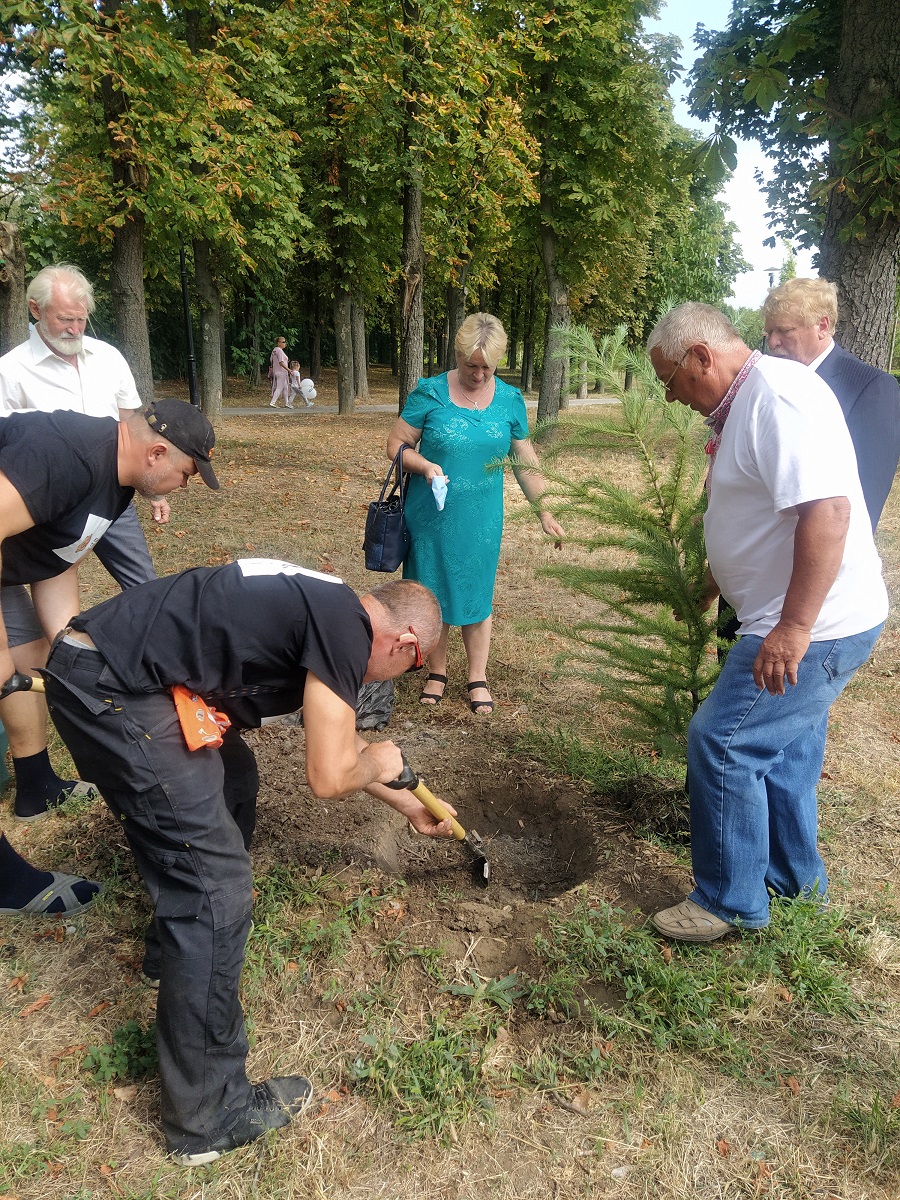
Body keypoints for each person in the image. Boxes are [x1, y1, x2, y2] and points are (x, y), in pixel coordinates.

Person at [41, 562, 455, 1163]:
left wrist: (406, 805)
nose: (395, 680)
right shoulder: (348, 632)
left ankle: (176, 959)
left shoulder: (330, 607)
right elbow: (329, 774)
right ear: (405, 643)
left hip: (113, 664)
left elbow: (343, 747)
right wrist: (380, 760)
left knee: (234, 777)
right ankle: (207, 1117)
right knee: (218, 895)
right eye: (410, 671)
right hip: (115, 689)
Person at [646, 303, 888, 943]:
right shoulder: (751, 400)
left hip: (812, 624)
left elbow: (829, 513)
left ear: (702, 356)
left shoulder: (776, 399)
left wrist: (792, 628)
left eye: (670, 380)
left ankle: (728, 901)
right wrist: (713, 581)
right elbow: (757, 512)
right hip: (804, 616)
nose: (672, 398)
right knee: (782, 754)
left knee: (724, 742)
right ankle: (795, 881)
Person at [0, 399, 219, 843]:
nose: (184, 485)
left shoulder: (119, 479)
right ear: (156, 454)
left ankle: (36, 786)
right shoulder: (68, 455)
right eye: (187, 473)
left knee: (34, 657)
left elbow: (59, 556)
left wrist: (69, 645)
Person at [386, 313, 564, 714]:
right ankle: (437, 671)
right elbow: (396, 444)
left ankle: (477, 676)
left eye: (487, 366)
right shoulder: (429, 393)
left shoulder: (510, 400)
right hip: (430, 514)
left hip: (482, 519)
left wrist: (544, 511)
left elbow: (524, 459)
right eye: (471, 365)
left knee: (476, 590)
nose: (479, 374)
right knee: (431, 589)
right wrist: (425, 465)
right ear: (458, 354)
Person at [0, 263, 168, 588]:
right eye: (65, 319)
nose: (75, 329)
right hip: (47, 506)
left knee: (144, 585)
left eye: (81, 319)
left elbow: (131, 425)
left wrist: (152, 491)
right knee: (50, 583)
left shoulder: (108, 357)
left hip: (110, 495)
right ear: (36, 309)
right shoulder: (10, 372)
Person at [763, 277, 900, 530]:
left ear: (822, 326)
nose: (772, 342)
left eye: (784, 330)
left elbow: (864, 503)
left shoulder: (872, 388)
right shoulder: (770, 384)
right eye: (769, 332)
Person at [268, 336, 290, 408]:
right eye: (283, 342)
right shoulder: (279, 350)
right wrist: (289, 369)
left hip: (277, 371)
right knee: (280, 387)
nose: (285, 343)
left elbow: (271, 360)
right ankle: (273, 402)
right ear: (278, 343)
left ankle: (287, 403)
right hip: (281, 372)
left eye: (285, 342)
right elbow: (281, 362)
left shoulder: (274, 350)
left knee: (285, 387)